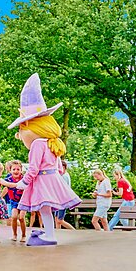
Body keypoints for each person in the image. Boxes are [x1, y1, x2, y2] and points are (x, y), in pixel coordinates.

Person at [6, 74, 81, 246]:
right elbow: (59, 168)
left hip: (43, 180)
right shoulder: (52, 143)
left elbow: (33, 168)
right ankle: (48, 233)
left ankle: (50, 235)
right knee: (46, 209)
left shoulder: (38, 144)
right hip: (53, 178)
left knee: (45, 209)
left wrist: (23, 183)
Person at [5, 160, 27, 242]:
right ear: (10, 170)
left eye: (18, 169)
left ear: (21, 170)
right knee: (13, 217)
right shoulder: (8, 179)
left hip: (24, 201)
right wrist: (0, 196)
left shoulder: (24, 179)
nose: (16, 171)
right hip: (14, 201)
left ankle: (24, 235)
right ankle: (14, 234)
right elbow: (5, 188)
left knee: (21, 218)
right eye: (14, 169)